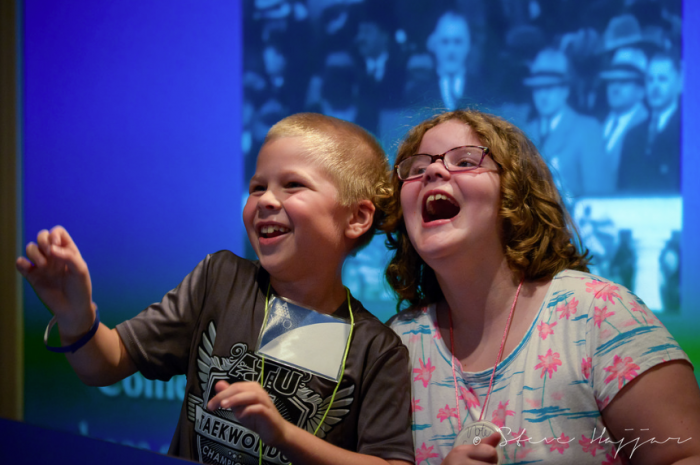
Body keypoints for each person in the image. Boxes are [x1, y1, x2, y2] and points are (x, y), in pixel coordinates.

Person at [16, 113, 414, 465]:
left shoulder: (378, 350)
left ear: (357, 217)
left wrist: (284, 435)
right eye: (257, 187)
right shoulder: (220, 280)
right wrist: (77, 316)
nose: (266, 200)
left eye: (292, 185)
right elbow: (104, 364)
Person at [383, 109, 700, 464]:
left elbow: (685, 455)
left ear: (515, 193)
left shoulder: (600, 314)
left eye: (465, 161)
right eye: (415, 168)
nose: (434, 171)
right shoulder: (397, 346)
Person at [523, 48, 604, 201]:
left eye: (550, 87)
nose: (543, 96)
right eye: (538, 88)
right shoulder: (526, 131)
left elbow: (597, 197)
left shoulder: (587, 130)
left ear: (565, 90)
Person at [618, 51, 682, 193]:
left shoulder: (688, 132)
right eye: (650, 80)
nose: (655, 87)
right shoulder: (632, 135)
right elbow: (622, 189)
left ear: (679, 83)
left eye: (662, 79)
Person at [598, 47, 649, 195]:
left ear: (641, 90)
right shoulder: (598, 123)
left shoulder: (647, 127)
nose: (615, 87)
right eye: (612, 81)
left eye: (624, 81)